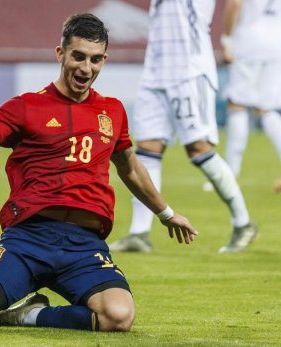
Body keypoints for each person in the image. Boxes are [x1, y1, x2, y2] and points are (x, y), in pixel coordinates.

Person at [0, 13, 198, 332]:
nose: (86, 68)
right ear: (60, 53)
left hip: (84, 246)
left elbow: (129, 166)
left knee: (119, 317)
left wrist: (165, 212)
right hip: (27, 240)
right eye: (78, 57)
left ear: (104, 59)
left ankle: (27, 315)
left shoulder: (112, 111)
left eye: (95, 60)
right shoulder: (26, 107)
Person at [108, 0, 257, 254]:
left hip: (189, 70)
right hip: (155, 70)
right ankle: (139, 232)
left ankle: (243, 223)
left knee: (199, 148)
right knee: (147, 149)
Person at [220, 0, 281, 192]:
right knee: (266, 108)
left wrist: (226, 39)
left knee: (237, 105)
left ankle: (230, 174)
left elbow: (234, 4)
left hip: (248, 44)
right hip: (276, 45)